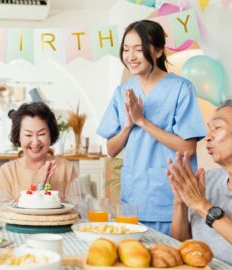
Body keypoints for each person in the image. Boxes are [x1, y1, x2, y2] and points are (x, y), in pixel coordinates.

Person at [97, 20, 206, 235]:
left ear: (158, 51)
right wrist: (128, 126)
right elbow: (111, 149)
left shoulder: (181, 88)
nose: (131, 56)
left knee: (170, 264)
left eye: (139, 49)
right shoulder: (123, 92)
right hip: (134, 198)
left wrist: (142, 122)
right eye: (126, 49)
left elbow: (187, 148)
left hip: (170, 199)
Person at [167, 100, 232, 264]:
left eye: (217, 128)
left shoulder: (201, 198)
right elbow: (182, 247)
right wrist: (180, 203)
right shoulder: (209, 180)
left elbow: (201, 205)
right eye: (209, 129)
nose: (207, 137)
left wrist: (202, 205)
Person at [0, 102, 78, 209]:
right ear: (19, 137)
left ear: (51, 134)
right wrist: (37, 187)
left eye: (41, 134)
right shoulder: (7, 171)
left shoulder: (67, 168)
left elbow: (80, 210)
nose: (35, 142)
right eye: (28, 135)